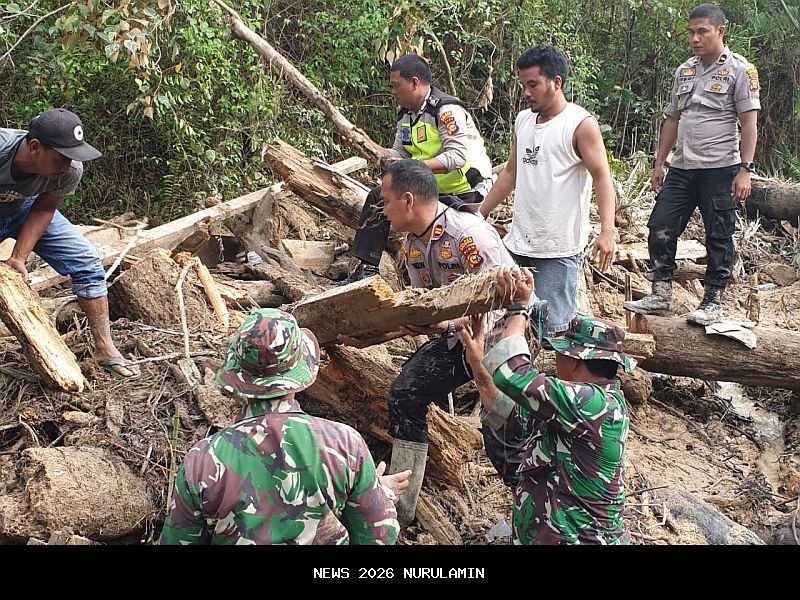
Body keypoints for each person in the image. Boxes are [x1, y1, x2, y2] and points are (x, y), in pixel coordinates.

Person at [338, 160, 524, 524]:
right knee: (410, 387)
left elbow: (500, 304)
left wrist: (441, 325)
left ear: (408, 200)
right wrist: (373, 337)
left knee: (501, 426)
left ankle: (529, 503)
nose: (381, 211)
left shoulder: (469, 236)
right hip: (458, 336)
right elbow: (424, 316)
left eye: (386, 202)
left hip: (501, 335)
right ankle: (411, 491)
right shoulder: (411, 246)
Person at [159, 308, 410, 545]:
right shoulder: (344, 444)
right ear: (301, 377)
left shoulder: (201, 460)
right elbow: (378, 538)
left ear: (238, 374)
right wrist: (380, 494)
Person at [462, 265, 634, 545]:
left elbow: (512, 374)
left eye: (560, 353)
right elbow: (509, 417)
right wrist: (478, 364)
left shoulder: (593, 404)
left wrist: (518, 310)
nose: (556, 358)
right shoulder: (574, 405)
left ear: (576, 361)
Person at [624, 4, 760, 325]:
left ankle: (712, 301)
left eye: (703, 32)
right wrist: (660, 162)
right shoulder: (684, 71)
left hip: (721, 169)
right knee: (660, 225)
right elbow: (672, 119)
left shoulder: (740, 70)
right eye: (691, 32)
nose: (695, 39)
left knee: (718, 235)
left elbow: (750, 123)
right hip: (682, 168)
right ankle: (661, 293)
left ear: (720, 32)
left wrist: (745, 169)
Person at [480, 45, 617, 334]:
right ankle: (512, 377)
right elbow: (510, 173)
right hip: (518, 243)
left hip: (558, 247)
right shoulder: (524, 120)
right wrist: (480, 214)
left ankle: (560, 379)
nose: (527, 93)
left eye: (533, 85)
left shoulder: (580, 125)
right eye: (523, 85)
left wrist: (607, 231)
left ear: (557, 83)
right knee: (509, 319)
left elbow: (602, 177)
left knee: (555, 329)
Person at [0, 108, 140, 379]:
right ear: (35, 147)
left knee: (87, 262)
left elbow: (44, 208)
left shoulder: (70, 169)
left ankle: (105, 347)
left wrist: (18, 257)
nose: (68, 166)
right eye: (61, 158)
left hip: (24, 208)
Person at [338, 54, 493, 285]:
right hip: (428, 188)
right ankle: (368, 268)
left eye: (396, 85)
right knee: (378, 197)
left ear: (414, 82)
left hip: (464, 191)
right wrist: (367, 144)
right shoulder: (406, 115)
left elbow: (457, 156)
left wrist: (414, 169)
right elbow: (397, 155)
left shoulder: (446, 110)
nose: (393, 92)